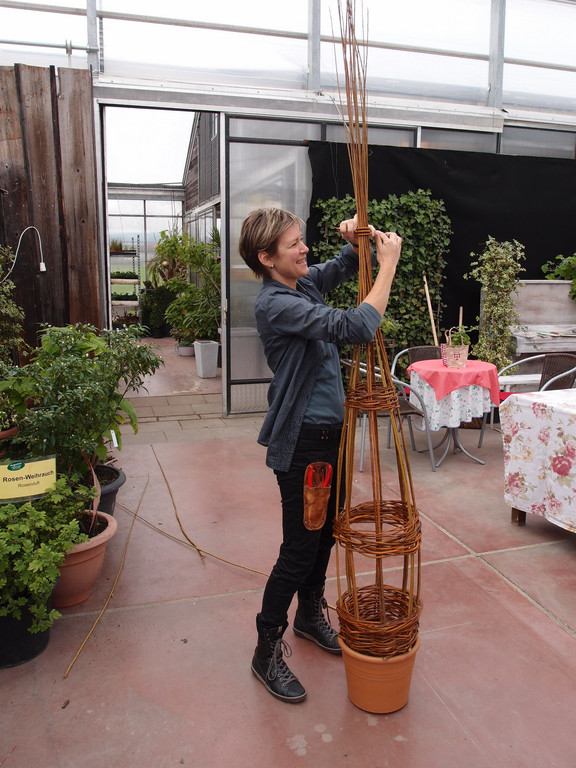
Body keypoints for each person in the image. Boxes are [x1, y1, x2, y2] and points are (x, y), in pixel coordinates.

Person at [238, 208, 402, 703]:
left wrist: (356, 242)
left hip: (333, 436)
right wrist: (387, 265)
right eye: (293, 244)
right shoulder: (276, 303)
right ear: (267, 258)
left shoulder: (303, 284)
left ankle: (309, 616)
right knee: (299, 548)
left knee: (326, 533)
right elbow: (355, 326)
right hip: (305, 444)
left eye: (302, 240)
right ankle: (266, 650)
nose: (304, 249)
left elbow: (340, 266)